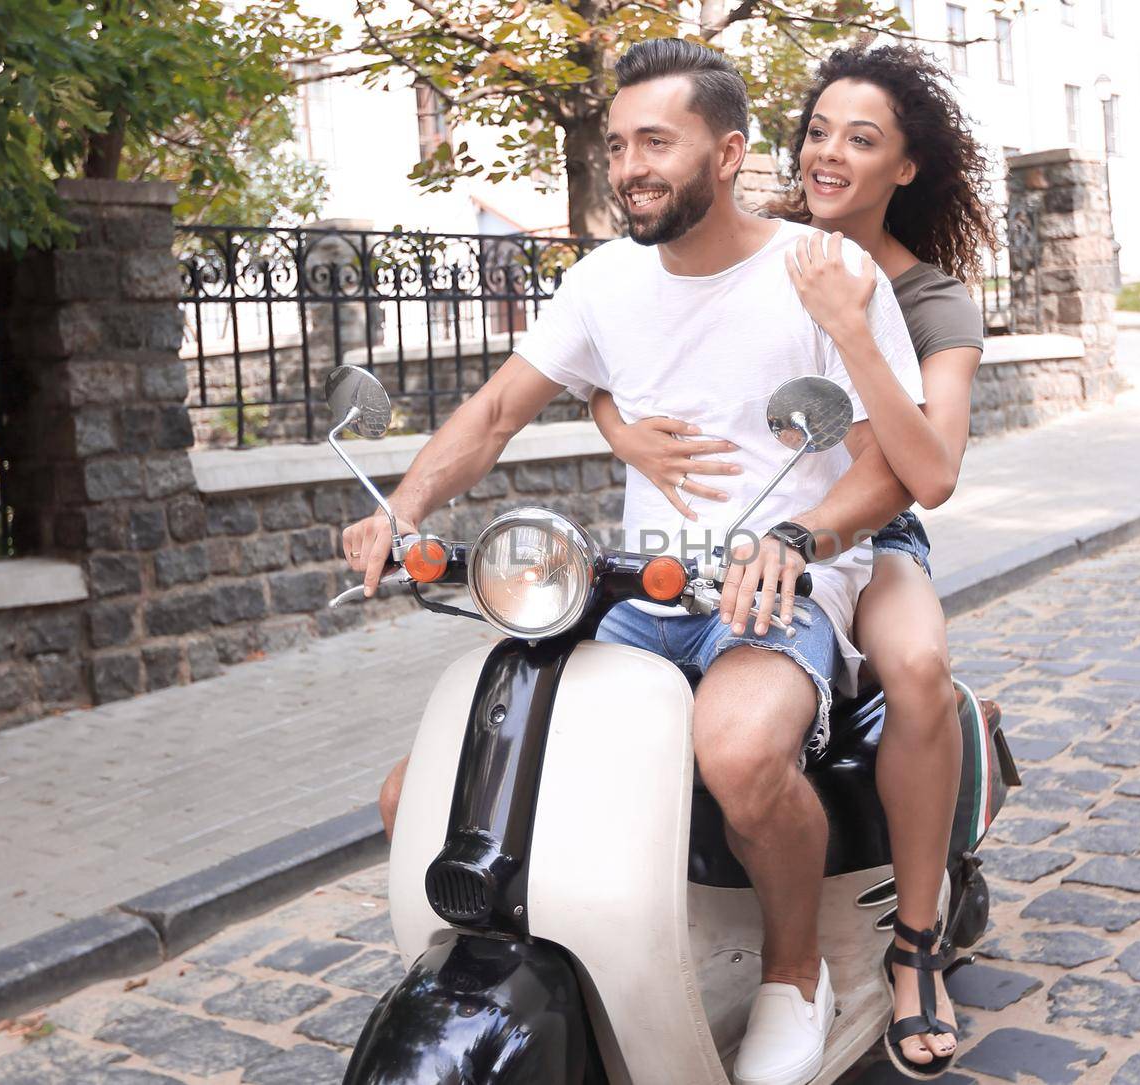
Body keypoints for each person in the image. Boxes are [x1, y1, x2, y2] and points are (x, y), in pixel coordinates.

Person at [348, 38, 928, 1085]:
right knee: (430, 785)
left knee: (743, 749)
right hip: (637, 585)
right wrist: (405, 504)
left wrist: (798, 539)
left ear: (727, 152)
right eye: (617, 146)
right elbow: (492, 414)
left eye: (654, 141)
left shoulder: (820, 271)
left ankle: (795, 973)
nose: (628, 167)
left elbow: (887, 467)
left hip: (773, 584)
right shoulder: (605, 282)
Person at [586, 44, 992, 1077]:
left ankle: (910, 945)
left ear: (904, 165)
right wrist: (617, 427)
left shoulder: (926, 295)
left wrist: (852, 331)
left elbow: (927, 470)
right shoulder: (754, 245)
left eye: (861, 139)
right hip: (753, 538)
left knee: (913, 668)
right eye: (817, 129)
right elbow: (621, 348)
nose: (828, 153)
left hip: (872, 521)